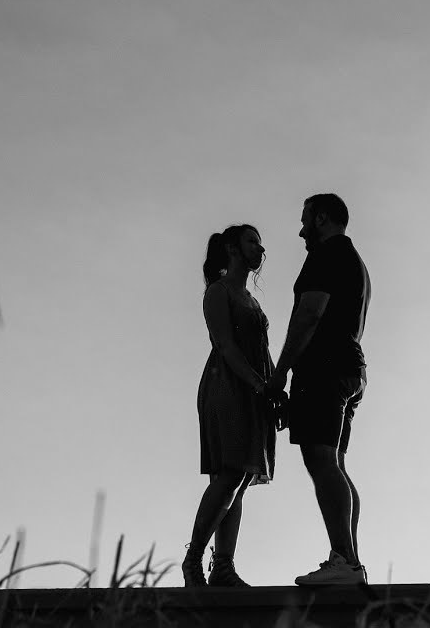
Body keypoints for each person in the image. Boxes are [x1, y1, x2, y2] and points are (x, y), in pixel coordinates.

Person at [269, 193, 372, 585]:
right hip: (350, 368)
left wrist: (281, 372)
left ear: (322, 218)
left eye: (305, 220)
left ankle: (344, 561)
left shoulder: (326, 254)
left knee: (321, 461)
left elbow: (309, 313)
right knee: (335, 464)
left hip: (325, 368)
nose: (301, 231)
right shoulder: (355, 261)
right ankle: (351, 564)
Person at [184, 224, 284, 588]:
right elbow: (225, 346)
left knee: (240, 479)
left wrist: (275, 390)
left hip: (255, 391)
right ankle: (194, 559)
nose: (260, 248)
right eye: (251, 241)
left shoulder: (252, 301)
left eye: (260, 242)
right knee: (229, 475)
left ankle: (223, 567)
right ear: (232, 247)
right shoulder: (218, 291)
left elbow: (263, 352)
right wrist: (259, 385)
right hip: (226, 387)